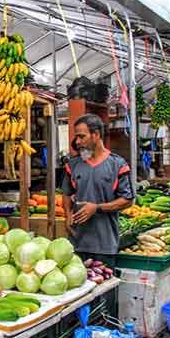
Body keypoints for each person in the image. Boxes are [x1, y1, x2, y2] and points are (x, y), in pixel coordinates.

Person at [62, 114, 134, 267]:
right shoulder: (73, 164)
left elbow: (127, 200)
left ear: (96, 135)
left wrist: (96, 208)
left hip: (105, 244)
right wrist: (68, 215)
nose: (78, 141)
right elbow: (67, 193)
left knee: (104, 287)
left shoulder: (117, 164)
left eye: (82, 136)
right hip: (77, 243)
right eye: (77, 137)